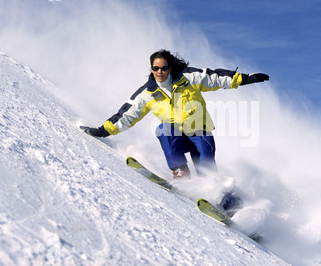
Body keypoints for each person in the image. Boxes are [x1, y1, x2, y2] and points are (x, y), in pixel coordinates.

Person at [80, 50, 269, 180]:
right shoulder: (148, 93)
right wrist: (103, 131)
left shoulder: (188, 78)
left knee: (207, 169)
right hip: (175, 135)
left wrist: (245, 79)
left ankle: (229, 203)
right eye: (155, 68)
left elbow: (215, 78)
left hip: (199, 131)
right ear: (151, 69)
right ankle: (180, 172)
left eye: (163, 68)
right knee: (163, 129)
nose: (159, 72)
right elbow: (126, 115)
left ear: (170, 68)